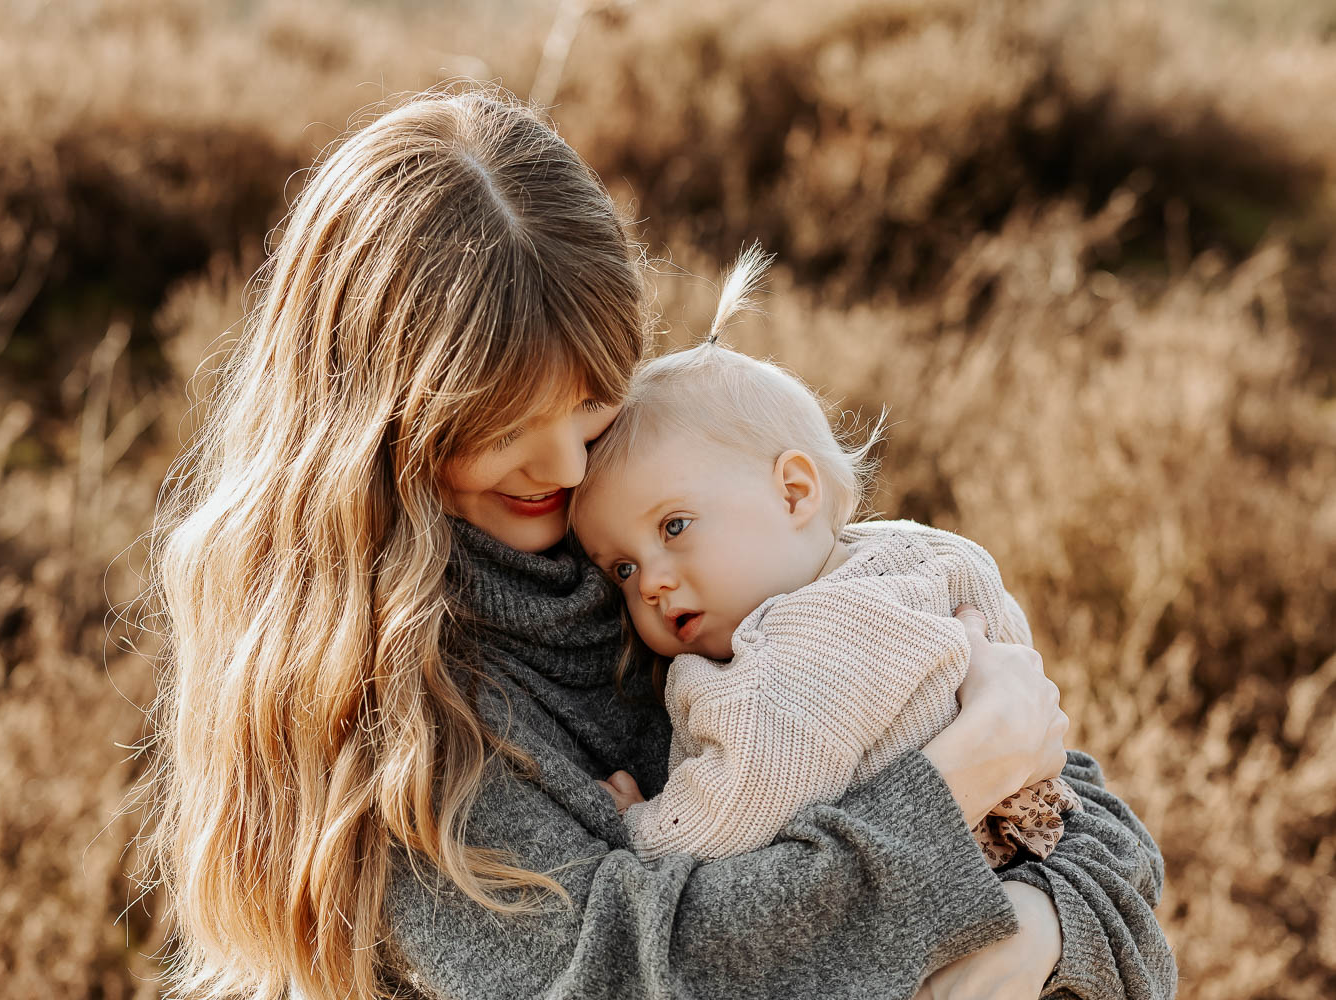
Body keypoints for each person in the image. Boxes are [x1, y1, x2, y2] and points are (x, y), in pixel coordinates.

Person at [144, 87, 1177, 1000]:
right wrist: (948, 796)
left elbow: (1076, 811)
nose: (562, 466)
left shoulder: (667, 527)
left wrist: (1043, 929)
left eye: (591, 400)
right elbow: (634, 975)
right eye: (503, 425)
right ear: (375, 422)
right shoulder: (374, 701)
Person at [569, 251, 1081, 868]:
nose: (649, 583)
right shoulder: (922, 553)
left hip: (923, 902)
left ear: (794, 493)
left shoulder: (808, 643)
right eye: (621, 568)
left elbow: (733, 810)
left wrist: (637, 827)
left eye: (674, 526)